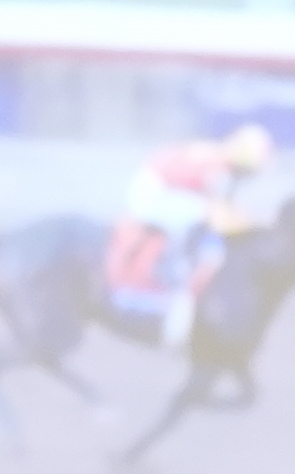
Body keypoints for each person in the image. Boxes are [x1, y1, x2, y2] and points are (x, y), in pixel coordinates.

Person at [105, 122, 273, 349]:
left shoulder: (222, 162)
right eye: (250, 171)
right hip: (152, 194)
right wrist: (254, 223)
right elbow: (219, 216)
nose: (249, 177)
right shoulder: (217, 167)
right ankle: (171, 273)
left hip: (169, 190)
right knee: (200, 221)